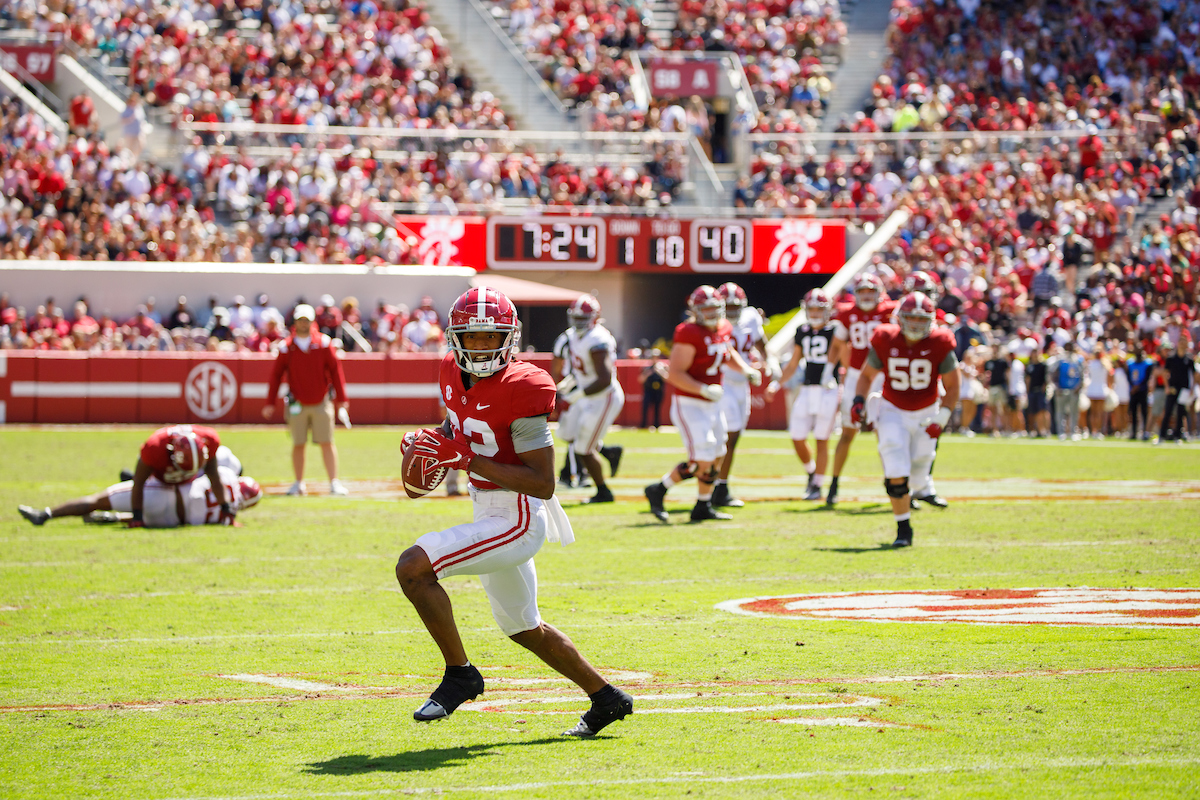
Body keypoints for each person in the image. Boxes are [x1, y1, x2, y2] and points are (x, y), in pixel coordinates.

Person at [393, 287, 633, 737]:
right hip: (484, 505)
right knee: (524, 627)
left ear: (510, 337)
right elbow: (461, 425)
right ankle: (607, 698)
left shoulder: (525, 385)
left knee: (413, 567)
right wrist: (434, 445)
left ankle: (460, 674)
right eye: (472, 337)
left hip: (518, 517)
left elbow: (543, 483)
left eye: (490, 337)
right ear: (453, 337)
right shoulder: (450, 369)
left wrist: (462, 459)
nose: (481, 346)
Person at [852, 292, 961, 548]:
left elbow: (953, 386)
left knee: (920, 468)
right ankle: (903, 528)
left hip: (927, 410)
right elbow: (866, 375)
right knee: (895, 463)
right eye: (910, 317)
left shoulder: (940, 341)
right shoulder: (885, 337)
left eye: (920, 319)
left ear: (931, 320)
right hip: (892, 408)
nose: (914, 324)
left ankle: (916, 489)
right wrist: (858, 400)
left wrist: (943, 416)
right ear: (900, 318)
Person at [644, 286, 758, 523]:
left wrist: (746, 369)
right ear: (695, 310)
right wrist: (703, 388)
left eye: (713, 308)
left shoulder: (724, 327)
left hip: (713, 403)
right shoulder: (688, 332)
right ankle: (659, 488)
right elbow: (675, 374)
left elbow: (727, 351)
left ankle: (702, 505)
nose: (709, 313)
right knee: (703, 460)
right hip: (690, 402)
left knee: (718, 454)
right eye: (704, 308)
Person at [19, 425, 232, 527]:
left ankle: (115, 517)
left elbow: (212, 474)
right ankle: (46, 514)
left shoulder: (210, 440)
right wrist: (137, 518)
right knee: (101, 500)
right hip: (156, 482)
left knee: (169, 515)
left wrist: (226, 510)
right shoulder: (154, 447)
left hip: (187, 487)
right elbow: (139, 484)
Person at [262, 304, 350, 496]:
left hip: (321, 401)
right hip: (298, 402)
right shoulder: (286, 347)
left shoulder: (324, 343)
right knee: (298, 443)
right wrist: (270, 402)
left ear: (312, 322)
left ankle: (334, 482)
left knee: (327, 441)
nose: (303, 324)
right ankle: (299, 482)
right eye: (300, 320)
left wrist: (342, 399)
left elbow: (336, 371)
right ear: (295, 321)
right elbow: (276, 376)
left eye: (306, 320)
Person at [766, 289, 844, 502]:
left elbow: (843, 357)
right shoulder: (802, 331)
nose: (816, 312)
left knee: (821, 439)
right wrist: (777, 383)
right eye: (813, 308)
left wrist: (842, 387)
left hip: (828, 389)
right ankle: (812, 472)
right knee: (797, 435)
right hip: (807, 388)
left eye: (820, 308)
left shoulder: (836, 331)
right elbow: (793, 364)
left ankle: (817, 485)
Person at [828, 273, 895, 506]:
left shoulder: (890, 311)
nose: (866, 296)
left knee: (885, 431)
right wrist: (849, 369)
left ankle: (894, 483)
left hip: (882, 375)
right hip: (858, 375)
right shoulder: (847, 314)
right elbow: (839, 344)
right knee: (848, 431)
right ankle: (833, 483)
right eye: (862, 292)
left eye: (870, 291)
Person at [18, 467, 261, 527]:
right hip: (173, 521)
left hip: (164, 495)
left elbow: (196, 471)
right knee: (139, 517)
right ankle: (113, 518)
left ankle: (47, 514)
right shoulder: (230, 516)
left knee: (98, 498)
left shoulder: (227, 475)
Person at [555, 295, 624, 504]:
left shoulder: (598, 339)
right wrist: (564, 387)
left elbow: (604, 379)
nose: (578, 321)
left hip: (604, 396)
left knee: (583, 448)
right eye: (575, 317)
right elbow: (579, 371)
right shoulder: (573, 336)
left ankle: (603, 491)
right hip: (587, 394)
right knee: (567, 433)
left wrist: (577, 394)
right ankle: (609, 452)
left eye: (582, 317)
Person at [713, 282, 773, 508]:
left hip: (743, 385)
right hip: (724, 382)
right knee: (726, 437)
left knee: (734, 437)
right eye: (727, 307)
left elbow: (759, 340)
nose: (732, 311)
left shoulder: (750, 317)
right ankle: (715, 485)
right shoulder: (715, 324)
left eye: (735, 306)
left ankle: (720, 485)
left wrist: (768, 360)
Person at [550, 325, 588, 489]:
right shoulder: (566, 337)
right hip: (573, 386)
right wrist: (554, 389)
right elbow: (557, 364)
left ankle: (573, 473)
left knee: (584, 431)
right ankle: (575, 473)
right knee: (572, 432)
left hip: (591, 388)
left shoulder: (600, 337)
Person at [1161, 339, 1195, 442]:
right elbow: (1165, 373)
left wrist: (1192, 388)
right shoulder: (1171, 357)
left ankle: (1178, 436)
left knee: (1181, 413)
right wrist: (1167, 387)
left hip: (1184, 389)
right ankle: (1162, 436)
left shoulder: (1189, 359)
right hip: (1173, 388)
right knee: (1168, 411)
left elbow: (1194, 375)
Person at [1050, 341, 1085, 440]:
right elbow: (1052, 374)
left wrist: (1079, 387)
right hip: (1061, 390)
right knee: (1060, 412)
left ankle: (1073, 431)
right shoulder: (1060, 360)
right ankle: (1061, 432)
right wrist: (1056, 387)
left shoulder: (1078, 360)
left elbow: (1083, 374)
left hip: (1074, 390)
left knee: (1074, 412)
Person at [1126, 344, 1157, 440]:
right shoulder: (1130, 363)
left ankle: (1145, 431)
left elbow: (1147, 377)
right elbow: (1128, 376)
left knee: (1144, 412)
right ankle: (1134, 432)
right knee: (1133, 412)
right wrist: (1133, 386)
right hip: (1133, 390)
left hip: (1143, 390)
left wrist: (1138, 386)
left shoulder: (1148, 363)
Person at [638, 350, 668, 429]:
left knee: (657, 409)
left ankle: (656, 425)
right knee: (645, 408)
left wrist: (659, 371)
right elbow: (640, 379)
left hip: (658, 391)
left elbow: (667, 378)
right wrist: (649, 372)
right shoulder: (647, 368)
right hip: (648, 391)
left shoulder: (662, 367)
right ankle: (643, 425)